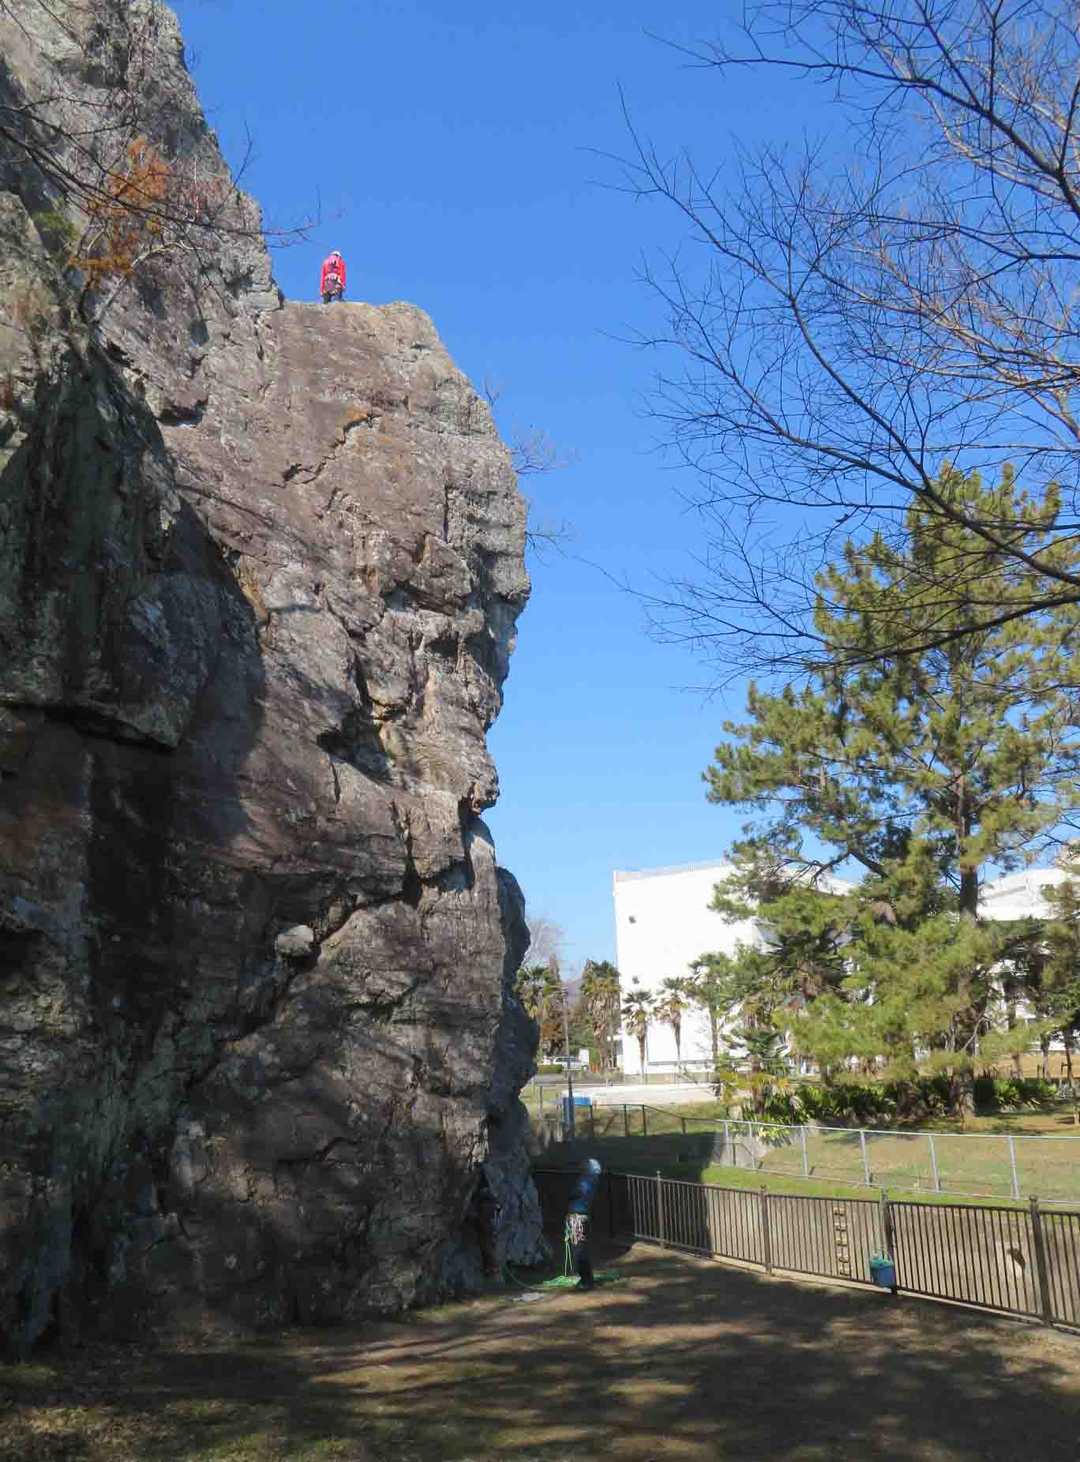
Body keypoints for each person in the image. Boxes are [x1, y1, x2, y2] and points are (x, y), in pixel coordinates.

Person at [565, 1156, 602, 1291]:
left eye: (585, 1165)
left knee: (579, 1250)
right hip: (579, 1216)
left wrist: (571, 1192)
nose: (582, 1166)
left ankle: (587, 1281)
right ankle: (586, 1279)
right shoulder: (590, 1180)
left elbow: (578, 1192)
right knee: (579, 1248)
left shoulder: (587, 1180)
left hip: (578, 1217)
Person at [471, 1165, 501, 1277]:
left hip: (485, 1204)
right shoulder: (489, 1232)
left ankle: (490, 1267)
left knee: (487, 1245)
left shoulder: (487, 1232)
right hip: (485, 1202)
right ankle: (491, 1267)